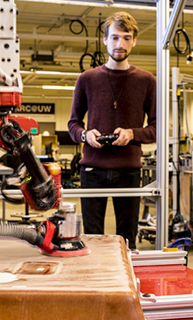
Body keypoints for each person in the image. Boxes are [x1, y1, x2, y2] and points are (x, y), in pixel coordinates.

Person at [67, 11, 157, 250]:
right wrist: (85, 135)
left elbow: (156, 128)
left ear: (135, 40)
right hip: (92, 170)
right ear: (105, 39)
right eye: (115, 38)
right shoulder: (87, 79)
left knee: (127, 239)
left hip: (128, 171)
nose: (120, 44)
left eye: (127, 38)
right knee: (92, 239)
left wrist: (132, 134)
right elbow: (73, 124)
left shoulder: (147, 81)